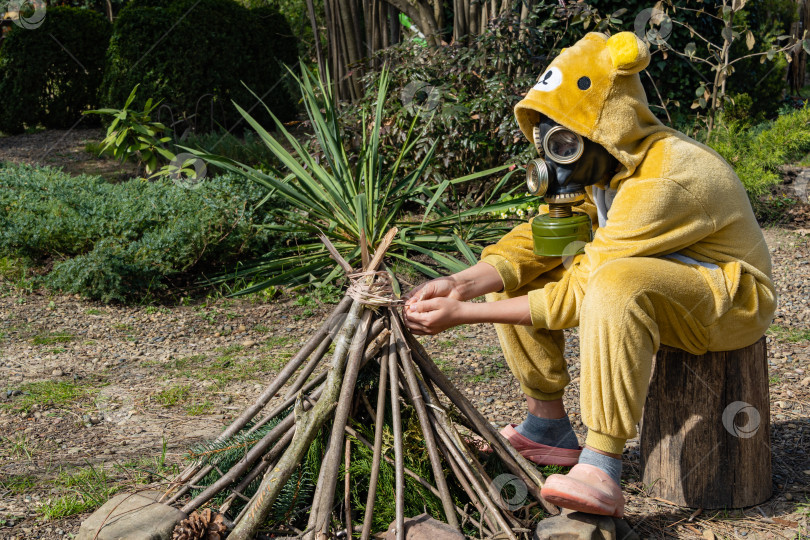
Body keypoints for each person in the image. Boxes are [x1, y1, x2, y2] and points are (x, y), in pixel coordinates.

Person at [403, 31, 776, 518]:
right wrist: (466, 282)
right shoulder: (605, 167)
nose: (554, 159)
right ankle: (548, 429)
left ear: (604, 124)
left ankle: (601, 465)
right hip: (665, 284)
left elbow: (584, 290)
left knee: (614, 284)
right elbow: (543, 241)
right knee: (513, 277)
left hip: (730, 300)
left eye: (563, 140)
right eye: (546, 139)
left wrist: (463, 314)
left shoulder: (666, 177)